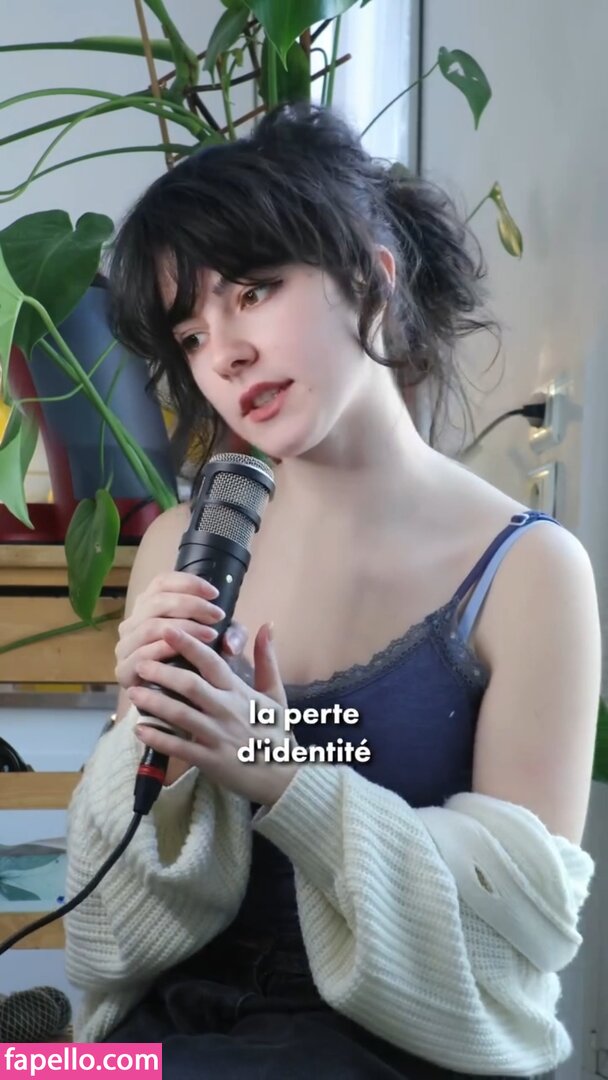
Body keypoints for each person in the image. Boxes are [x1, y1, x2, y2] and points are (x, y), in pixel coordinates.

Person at [64, 103, 601, 1079]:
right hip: (168, 1027)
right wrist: (154, 749)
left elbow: (515, 942)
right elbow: (107, 928)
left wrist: (279, 771)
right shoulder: (181, 547)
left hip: (380, 1051)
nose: (224, 354)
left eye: (254, 292)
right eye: (191, 333)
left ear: (371, 277)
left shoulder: (528, 571)